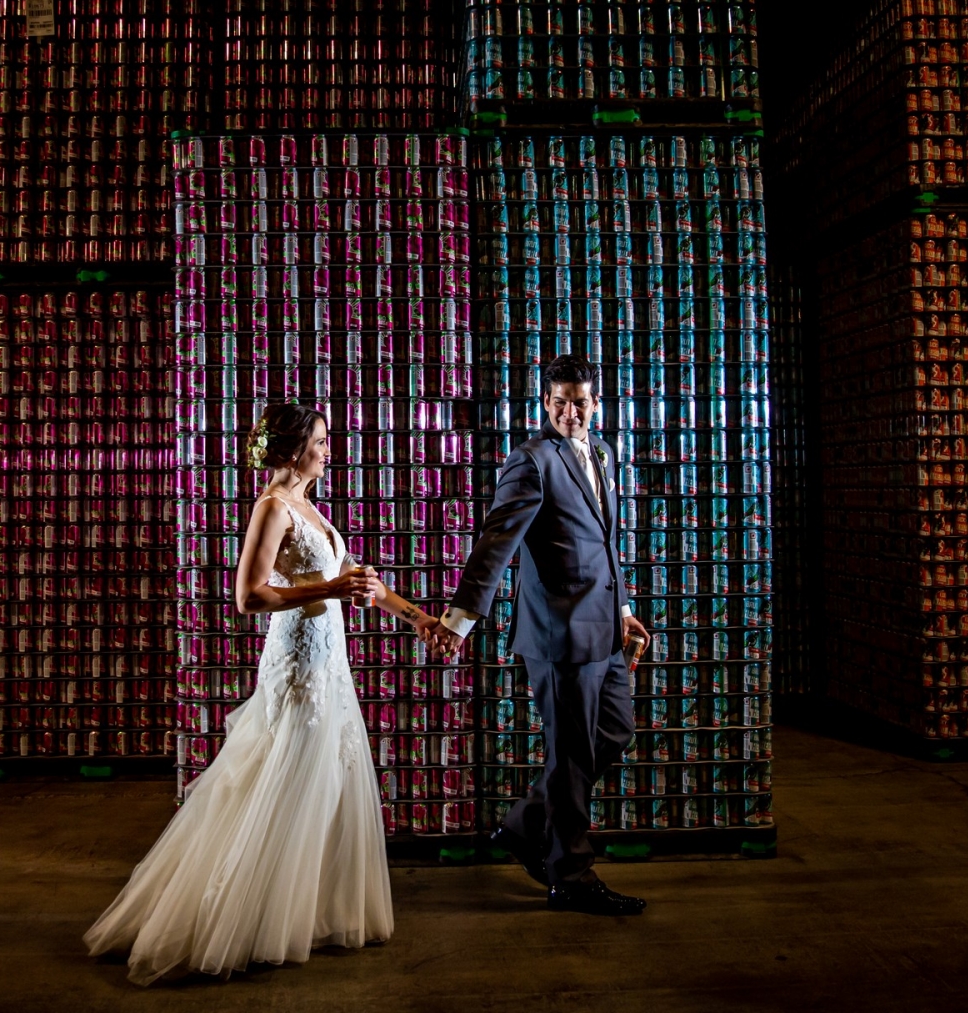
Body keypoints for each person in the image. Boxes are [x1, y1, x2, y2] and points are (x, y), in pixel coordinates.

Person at [85, 403, 432, 984]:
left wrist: (417, 617)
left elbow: (356, 580)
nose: (329, 450)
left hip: (328, 661)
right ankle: (241, 916)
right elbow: (248, 596)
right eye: (321, 441)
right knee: (286, 774)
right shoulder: (272, 508)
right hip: (297, 662)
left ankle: (301, 909)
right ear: (294, 450)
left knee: (324, 781)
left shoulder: (310, 509)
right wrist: (326, 586)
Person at [420, 354, 653, 916]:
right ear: (545, 405)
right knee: (571, 758)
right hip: (559, 634)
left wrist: (623, 609)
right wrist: (458, 620)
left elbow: (603, 542)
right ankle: (569, 872)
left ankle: (525, 826)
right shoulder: (530, 462)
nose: (570, 411)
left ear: (595, 403)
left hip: (605, 628)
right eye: (559, 403)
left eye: (580, 401)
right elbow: (495, 543)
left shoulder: (602, 453)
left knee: (615, 732)